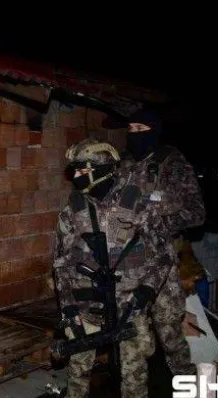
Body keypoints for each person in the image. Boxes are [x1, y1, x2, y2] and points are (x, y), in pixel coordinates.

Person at [53, 138, 172, 398]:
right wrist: (69, 307)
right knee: (78, 374)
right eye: (74, 170)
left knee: (134, 376)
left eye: (82, 169)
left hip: (130, 305)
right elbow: (61, 263)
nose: (76, 175)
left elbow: (164, 254)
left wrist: (147, 290)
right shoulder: (72, 211)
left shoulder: (138, 205)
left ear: (103, 168)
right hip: (87, 306)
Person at [120, 109, 206, 376]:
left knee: (169, 328)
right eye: (130, 129)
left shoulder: (171, 162)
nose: (134, 134)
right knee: (131, 330)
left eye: (140, 129)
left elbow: (196, 213)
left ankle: (186, 381)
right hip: (128, 259)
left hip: (162, 259)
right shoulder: (124, 163)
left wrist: (158, 226)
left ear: (154, 131)